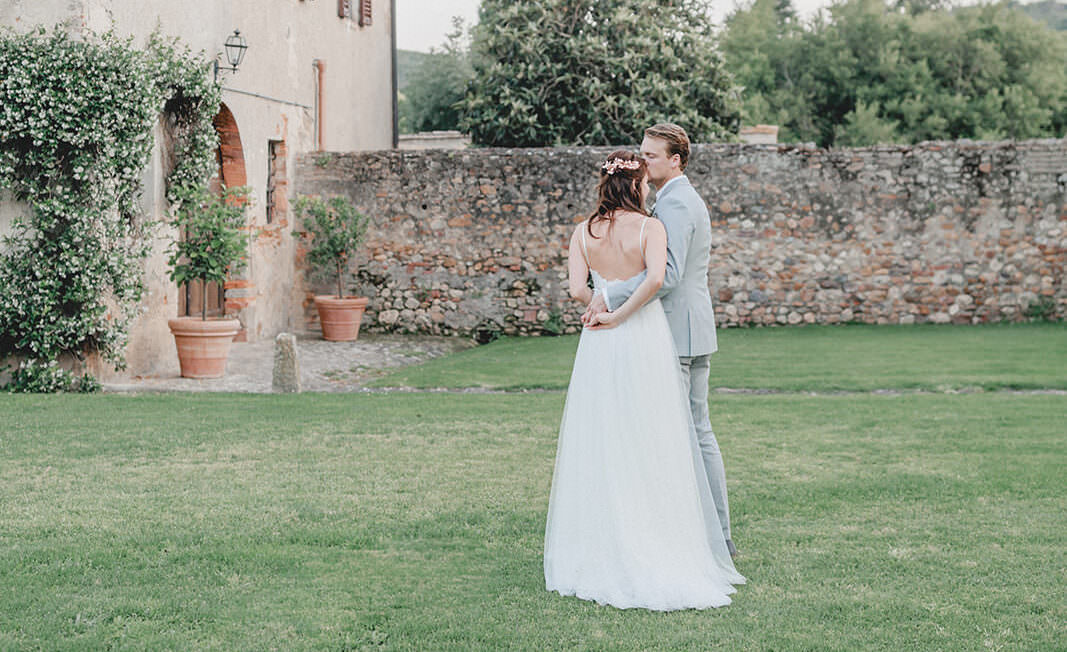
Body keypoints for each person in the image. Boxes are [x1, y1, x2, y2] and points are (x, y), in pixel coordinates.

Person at [543, 149, 744, 611]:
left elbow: (577, 288)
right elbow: (655, 280)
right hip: (642, 336)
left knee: (605, 434)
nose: (650, 188)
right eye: (645, 183)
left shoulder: (583, 231)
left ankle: (604, 539)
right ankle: (656, 535)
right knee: (652, 436)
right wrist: (621, 314)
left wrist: (598, 304)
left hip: (598, 343)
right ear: (636, 185)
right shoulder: (652, 227)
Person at [582, 123, 736, 558]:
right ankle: (700, 531)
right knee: (687, 431)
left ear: (676, 160)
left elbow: (665, 275)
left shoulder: (678, 205)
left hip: (681, 332)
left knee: (693, 433)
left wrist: (608, 292)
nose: (643, 161)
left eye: (651, 156)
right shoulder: (670, 201)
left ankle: (716, 535)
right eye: (643, 154)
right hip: (686, 328)